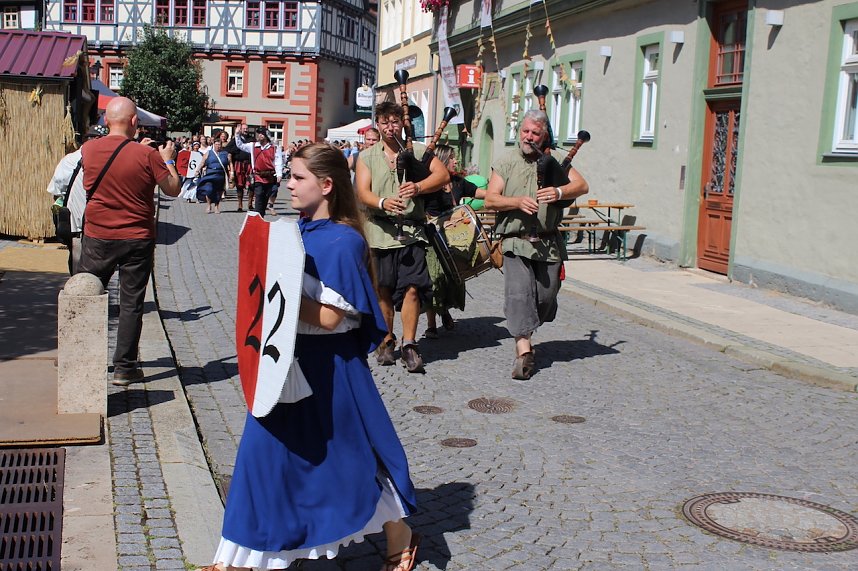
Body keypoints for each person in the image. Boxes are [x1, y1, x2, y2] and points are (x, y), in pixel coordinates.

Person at [202, 143, 419, 571]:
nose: (289, 184)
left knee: (353, 463)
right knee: (261, 458)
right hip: (284, 363)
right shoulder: (297, 231)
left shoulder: (343, 242)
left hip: (329, 369)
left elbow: (330, 317)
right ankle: (236, 559)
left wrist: (275, 296)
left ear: (326, 185)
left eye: (298, 177)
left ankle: (400, 533)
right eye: (290, 176)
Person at [76, 97, 182, 386]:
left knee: (87, 295)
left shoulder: (88, 149)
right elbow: (173, 189)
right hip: (136, 238)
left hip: (98, 236)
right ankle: (124, 367)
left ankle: (81, 358)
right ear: (134, 121)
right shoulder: (147, 155)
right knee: (131, 303)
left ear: (105, 120)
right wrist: (167, 159)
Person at [484, 109, 589, 380]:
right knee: (519, 294)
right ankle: (524, 352)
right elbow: (491, 199)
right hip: (515, 241)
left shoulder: (555, 161)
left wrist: (559, 191)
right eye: (525, 131)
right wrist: (516, 201)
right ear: (519, 131)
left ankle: (526, 328)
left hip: (548, 242)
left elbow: (582, 186)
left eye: (535, 133)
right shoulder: (506, 161)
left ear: (544, 136)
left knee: (545, 296)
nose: (529, 137)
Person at [355, 101, 449, 373]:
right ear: (378, 125)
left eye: (394, 121)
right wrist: (383, 202)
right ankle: (387, 340)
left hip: (411, 233)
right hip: (379, 232)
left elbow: (443, 175)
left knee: (412, 288)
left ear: (402, 123)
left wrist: (418, 187)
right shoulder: (367, 156)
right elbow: (363, 191)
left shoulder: (416, 151)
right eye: (384, 122)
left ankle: (410, 344)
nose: (390, 127)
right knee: (383, 290)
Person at [421, 144, 486, 338]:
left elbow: (479, 193)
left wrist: (502, 195)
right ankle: (431, 325)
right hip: (433, 239)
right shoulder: (429, 184)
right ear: (441, 160)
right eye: (452, 158)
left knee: (452, 280)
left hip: (455, 237)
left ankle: (444, 311)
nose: (455, 161)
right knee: (434, 281)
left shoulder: (458, 182)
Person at [47, 124, 109, 273]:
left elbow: (56, 189)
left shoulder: (69, 160)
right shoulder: (110, 161)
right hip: (102, 224)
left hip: (76, 223)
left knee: (77, 264)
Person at [233, 125, 283, 216]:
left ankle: (262, 214)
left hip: (270, 176)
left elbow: (278, 161)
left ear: (267, 135)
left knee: (267, 196)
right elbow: (240, 145)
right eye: (258, 134)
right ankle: (258, 216)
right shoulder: (253, 146)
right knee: (259, 195)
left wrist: (279, 174)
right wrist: (237, 134)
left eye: (262, 134)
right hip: (258, 176)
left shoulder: (274, 147)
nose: (259, 135)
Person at [191, 138, 233, 214]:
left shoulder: (226, 154)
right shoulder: (208, 153)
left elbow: (230, 163)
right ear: (213, 145)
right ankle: (209, 205)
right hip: (210, 174)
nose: (218, 146)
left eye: (219, 144)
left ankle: (216, 206)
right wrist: (197, 170)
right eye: (216, 144)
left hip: (220, 174)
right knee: (208, 189)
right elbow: (202, 162)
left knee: (219, 191)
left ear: (221, 145)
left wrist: (232, 173)